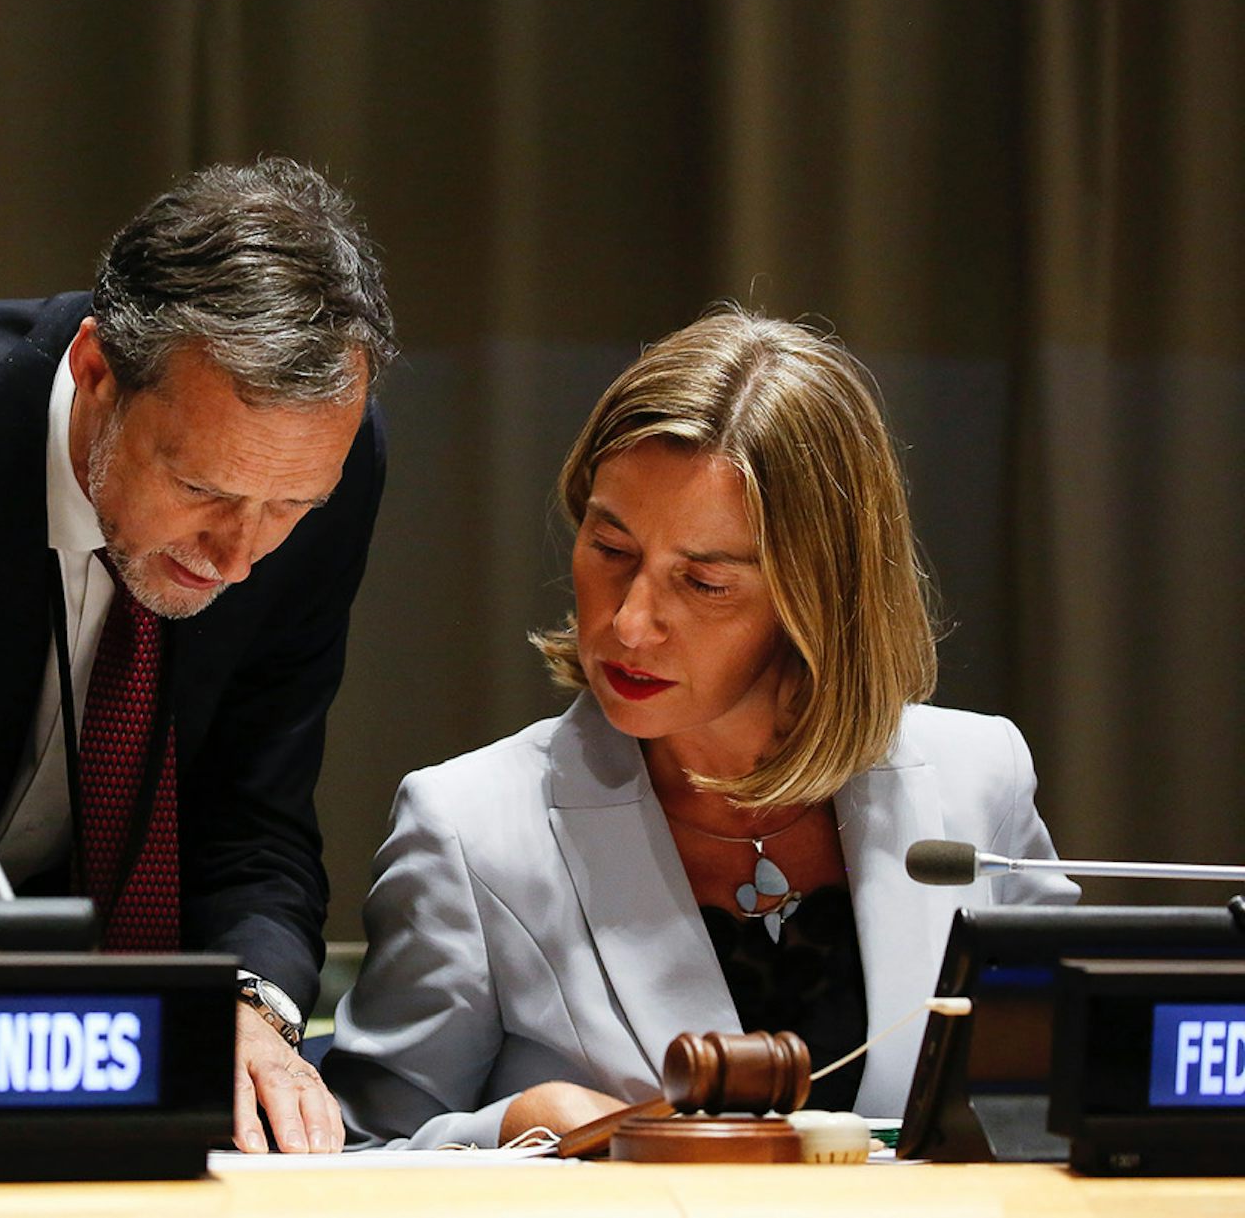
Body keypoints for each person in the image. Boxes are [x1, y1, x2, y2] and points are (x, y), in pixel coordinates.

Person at [325, 308, 1077, 1149]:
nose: (630, 623)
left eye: (704, 582)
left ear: (816, 600)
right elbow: (347, 1158)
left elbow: (1077, 1109)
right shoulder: (466, 827)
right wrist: (514, 1127)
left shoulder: (982, 778)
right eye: (610, 548)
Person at [0, 157, 394, 1154]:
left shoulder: (324, 464)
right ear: (93, 371)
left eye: (291, 507)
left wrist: (250, 1005)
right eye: (204, 489)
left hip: (119, 1071)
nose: (241, 555)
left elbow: (255, 814)